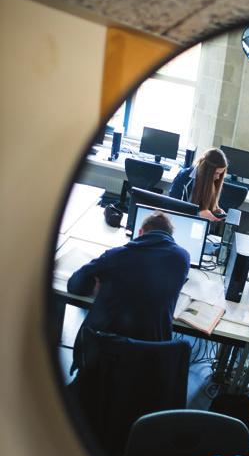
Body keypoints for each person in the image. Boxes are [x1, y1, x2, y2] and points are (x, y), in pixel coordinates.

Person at [67, 211, 190, 371]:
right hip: (150, 358)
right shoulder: (182, 258)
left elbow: (74, 284)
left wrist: (99, 286)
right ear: (170, 236)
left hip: (103, 357)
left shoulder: (116, 255)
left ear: (140, 232)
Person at [169, 147, 228, 222]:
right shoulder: (184, 177)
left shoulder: (213, 180)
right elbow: (172, 207)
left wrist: (214, 210)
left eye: (220, 173)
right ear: (207, 170)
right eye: (216, 173)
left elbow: (204, 206)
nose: (218, 177)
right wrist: (198, 214)